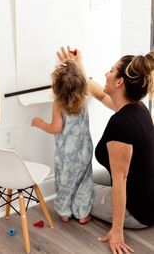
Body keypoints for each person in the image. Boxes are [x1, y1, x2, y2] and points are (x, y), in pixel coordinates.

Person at [57, 46, 154, 254]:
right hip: (148, 198)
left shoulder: (120, 124)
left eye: (111, 71)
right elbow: (101, 95)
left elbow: (120, 181)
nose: (106, 74)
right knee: (78, 177)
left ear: (120, 82)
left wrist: (117, 232)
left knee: (72, 189)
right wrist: (79, 67)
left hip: (137, 211)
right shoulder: (137, 107)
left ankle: (117, 221)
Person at [31, 59, 93, 224]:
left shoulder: (58, 104)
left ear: (56, 88)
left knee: (65, 182)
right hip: (85, 150)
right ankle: (82, 214)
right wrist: (78, 63)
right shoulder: (84, 97)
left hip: (66, 155)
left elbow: (55, 128)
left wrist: (40, 123)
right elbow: (84, 81)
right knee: (83, 182)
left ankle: (64, 213)